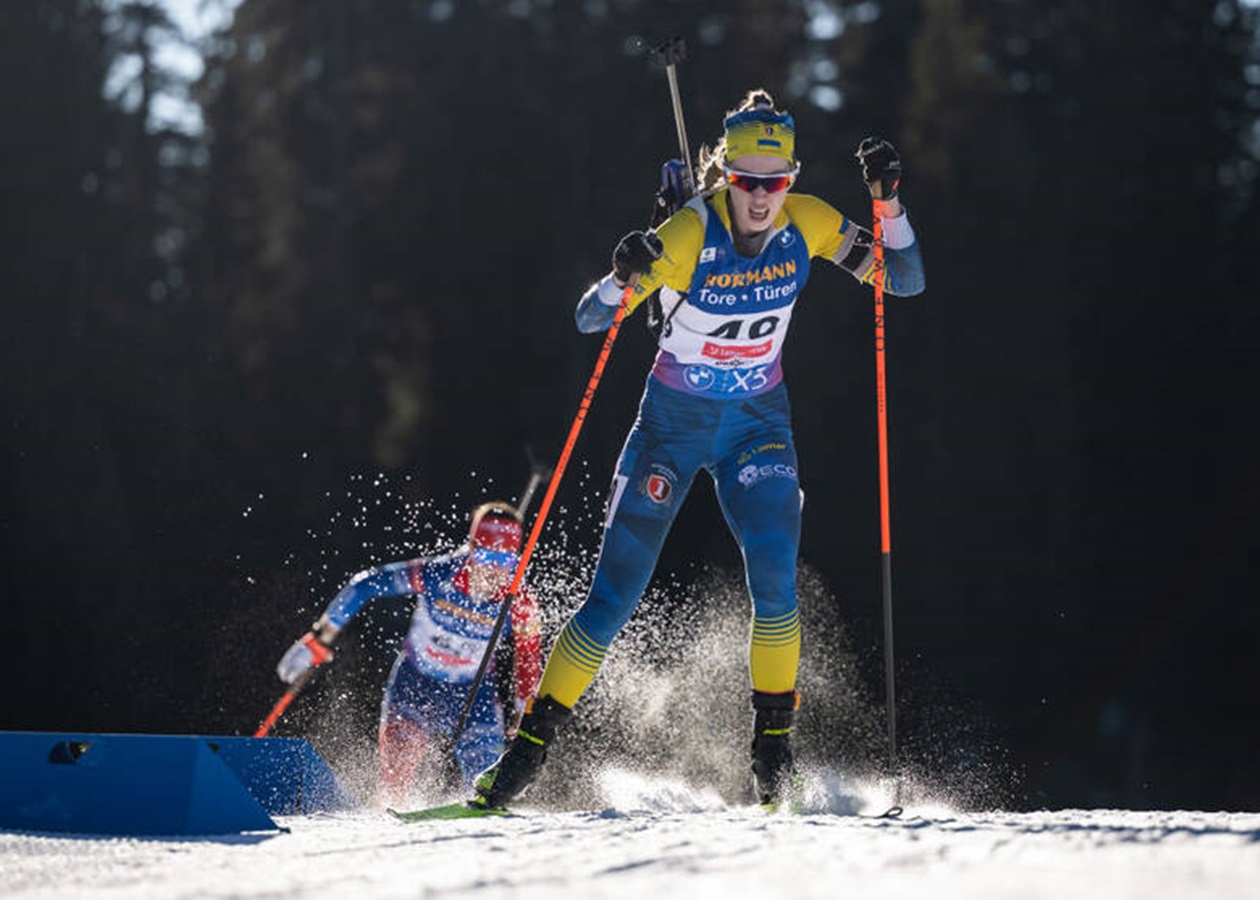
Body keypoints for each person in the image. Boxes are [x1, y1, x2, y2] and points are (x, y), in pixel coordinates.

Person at [471, 89, 926, 811]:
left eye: (776, 183)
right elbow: (593, 318)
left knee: (775, 576)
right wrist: (622, 275)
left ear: (793, 180)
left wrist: (888, 204)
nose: (762, 198)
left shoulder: (807, 222)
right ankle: (525, 753)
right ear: (726, 178)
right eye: (747, 182)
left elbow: (904, 280)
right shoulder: (688, 233)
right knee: (612, 599)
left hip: (756, 425)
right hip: (671, 431)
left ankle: (773, 758)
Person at [275, 501, 542, 806]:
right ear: (470, 549)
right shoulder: (439, 574)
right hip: (416, 685)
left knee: (492, 785)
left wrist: (526, 715)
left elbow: (528, 660)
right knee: (395, 781)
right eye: (484, 556)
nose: (493, 570)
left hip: (474, 693)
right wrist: (319, 639)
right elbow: (364, 585)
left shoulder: (520, 601)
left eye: (505, 560)